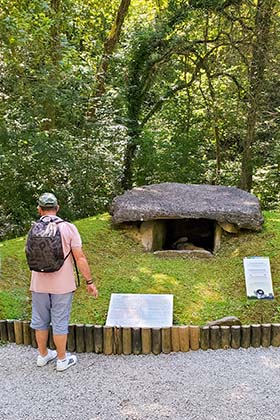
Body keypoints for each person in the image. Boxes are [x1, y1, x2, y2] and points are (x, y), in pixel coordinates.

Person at [28, 192, 98, 371]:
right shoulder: (68, 228)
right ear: (57, 208)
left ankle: (43, 356)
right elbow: (80, 258)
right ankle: (61, 360)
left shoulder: (34, 228)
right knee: (59, 321)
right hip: (62, 284)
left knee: (40, 320)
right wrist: (89, 282)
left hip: (38, 283)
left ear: (39, 209)